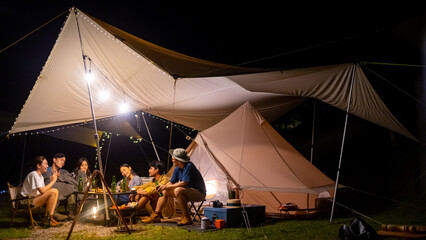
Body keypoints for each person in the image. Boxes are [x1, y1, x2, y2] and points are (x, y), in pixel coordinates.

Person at [143, 148, 206, 226]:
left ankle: (187, 217)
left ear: (179, 161)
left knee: (178, 190)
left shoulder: (189, 166)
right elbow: (171, 182)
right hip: (187, 191)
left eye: (173, 158)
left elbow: (183, 183)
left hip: (198, 193)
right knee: (164, 191)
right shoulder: (177, 168)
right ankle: (156, 215)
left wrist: (167, 187)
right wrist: (164, 186)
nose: (172, 160)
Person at [20, 156, 61, 227]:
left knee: (54, 192)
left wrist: (52, 181)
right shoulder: (34, 174)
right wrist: (53, 181)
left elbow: (44, 191)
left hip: (33, 199)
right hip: (26, 201)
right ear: (38, 165)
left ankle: (48, 219)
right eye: (45, 164)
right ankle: (47, 219)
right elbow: (42, 191)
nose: (47, 166)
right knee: (54, 191)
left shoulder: (41, 177)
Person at [42, 153, 77, 221]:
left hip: (63, 193)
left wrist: (60, 178)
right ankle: (53, 213)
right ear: (54, 160)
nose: (63, 162)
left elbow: (73, 183)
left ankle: (71, 214)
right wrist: (58, 181)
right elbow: (47, 184)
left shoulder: (64, 172)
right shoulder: (46, 171)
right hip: (50, 193)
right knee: (54, 188)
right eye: (61, 160)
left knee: (71, 189)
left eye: (64, 161)